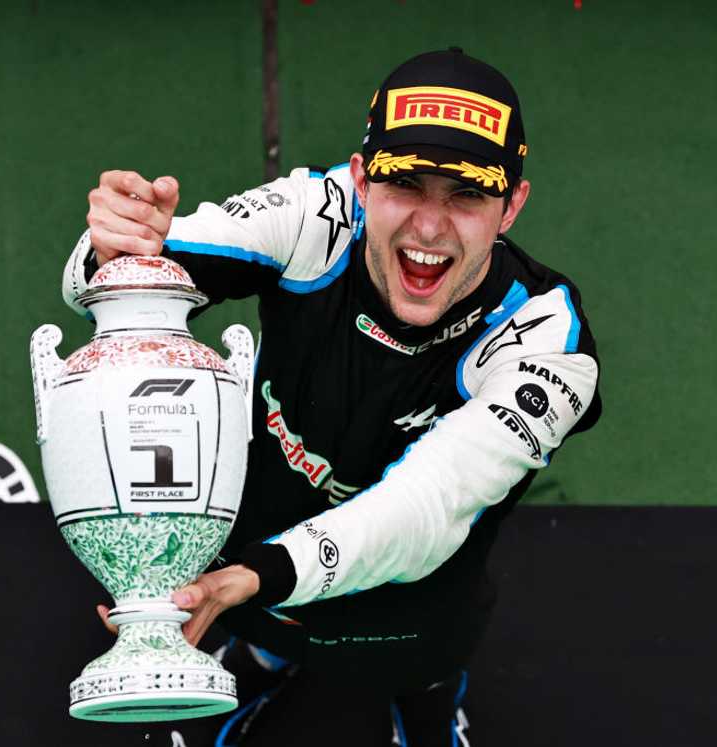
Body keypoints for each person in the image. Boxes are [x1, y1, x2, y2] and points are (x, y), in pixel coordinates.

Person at [64, 47, 602, 746]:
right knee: (264, 634)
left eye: (468, 193)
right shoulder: (312, 216)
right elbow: (146, 259)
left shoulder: (545, 333)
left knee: (427, 664)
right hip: (258, 561)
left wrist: (260, 573)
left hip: (408, 594)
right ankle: (264, 657)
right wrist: (116, 248)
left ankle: (431, 699)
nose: (431, 227)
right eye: (406, 183)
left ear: (511, 207)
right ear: (359, 180)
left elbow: (426, 508)